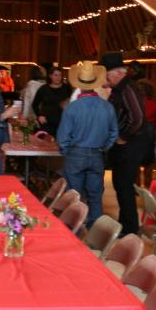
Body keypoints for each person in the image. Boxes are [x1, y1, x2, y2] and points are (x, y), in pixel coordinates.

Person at [57, 61, 119, 228]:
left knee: (74, 196)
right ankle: (95, 234)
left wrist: (66, 150)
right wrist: (104, 147)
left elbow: (63, 136)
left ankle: (74, 232)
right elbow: (114, 133)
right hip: (97, 154)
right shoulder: (107, 107)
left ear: (79, 84)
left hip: (75, 154)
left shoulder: (73, 107)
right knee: (95, 196)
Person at [101, 52, 152, 236]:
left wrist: (123, 136)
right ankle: (125, 224)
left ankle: (130, 228)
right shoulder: (120, 89)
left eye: (107, 75)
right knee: (121, 185)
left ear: (116, 73)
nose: (106, 79)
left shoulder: (128, 89)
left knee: (124, 186)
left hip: (130, 145)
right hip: (126, 145)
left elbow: (137, 118)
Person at [33, 65, 71, 136]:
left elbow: (72, 102)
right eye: (55, 75)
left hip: (63, 122)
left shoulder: (67, 88)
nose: (58, 77)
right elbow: (34, 104)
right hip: (46, 122)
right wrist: (39, 116)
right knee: (46, 144)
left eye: (60, 75)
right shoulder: (43, 89)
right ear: (50, 76)